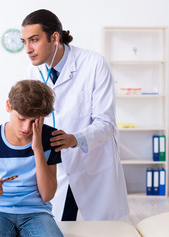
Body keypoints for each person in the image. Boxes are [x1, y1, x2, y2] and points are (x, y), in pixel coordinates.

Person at [21, 9, 129, 221]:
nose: (28, 49)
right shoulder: (33, 73)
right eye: (24, 41)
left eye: (34, 40)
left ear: (54, 37)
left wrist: (73, 139)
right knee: (62, 227)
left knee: (101, 232)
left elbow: (106, 123)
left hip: (93, 164)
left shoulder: (94, 64)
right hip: (56, 168)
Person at [0, 80, 64, 237]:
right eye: (21, 118)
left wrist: (38, 149)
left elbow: (47, 195)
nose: (27, 128)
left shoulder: (50, 138)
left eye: (34, 121)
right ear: (8, 106)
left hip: (37, 212)